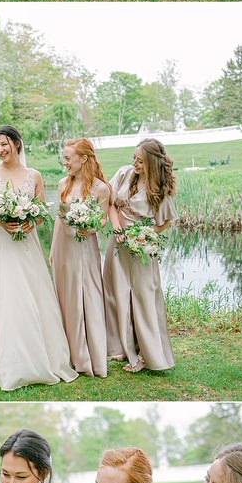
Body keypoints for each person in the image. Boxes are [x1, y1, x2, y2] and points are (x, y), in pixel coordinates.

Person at [0, 125, 77, 390]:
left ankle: (34, 357)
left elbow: (41, 212)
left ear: (17, 144)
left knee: (27, 294)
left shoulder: (33, 175)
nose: (0, 150)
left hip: (25, 244)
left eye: (4, 144)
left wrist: (30, 223)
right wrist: (2, 222)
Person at [103, 138, 177, 372]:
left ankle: (147, 355)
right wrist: (117, 228)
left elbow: (164, 222)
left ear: (152, 163)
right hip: (118, 245)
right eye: (134, 158)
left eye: (140, 161)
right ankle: (123, 347)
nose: (134, 163)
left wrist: (143, 234)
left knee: (144, 298)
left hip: (141, 248)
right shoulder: (124, 174)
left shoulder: (160, 189)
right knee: (116, 293)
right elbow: (111, 204)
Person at [51, 138, 111, 378]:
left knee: (86, 296)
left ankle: (89, 357)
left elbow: (104, 218)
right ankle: (68, 354)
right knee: (66, 296)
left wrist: (93, 226)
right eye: (64, 158)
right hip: (64, 246)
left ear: (83, 159)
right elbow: (59, 217)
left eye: (68, 158)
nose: (65, 163)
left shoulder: (100, 188)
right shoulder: (63, 183)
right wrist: (53, 250)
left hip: (85, 247)